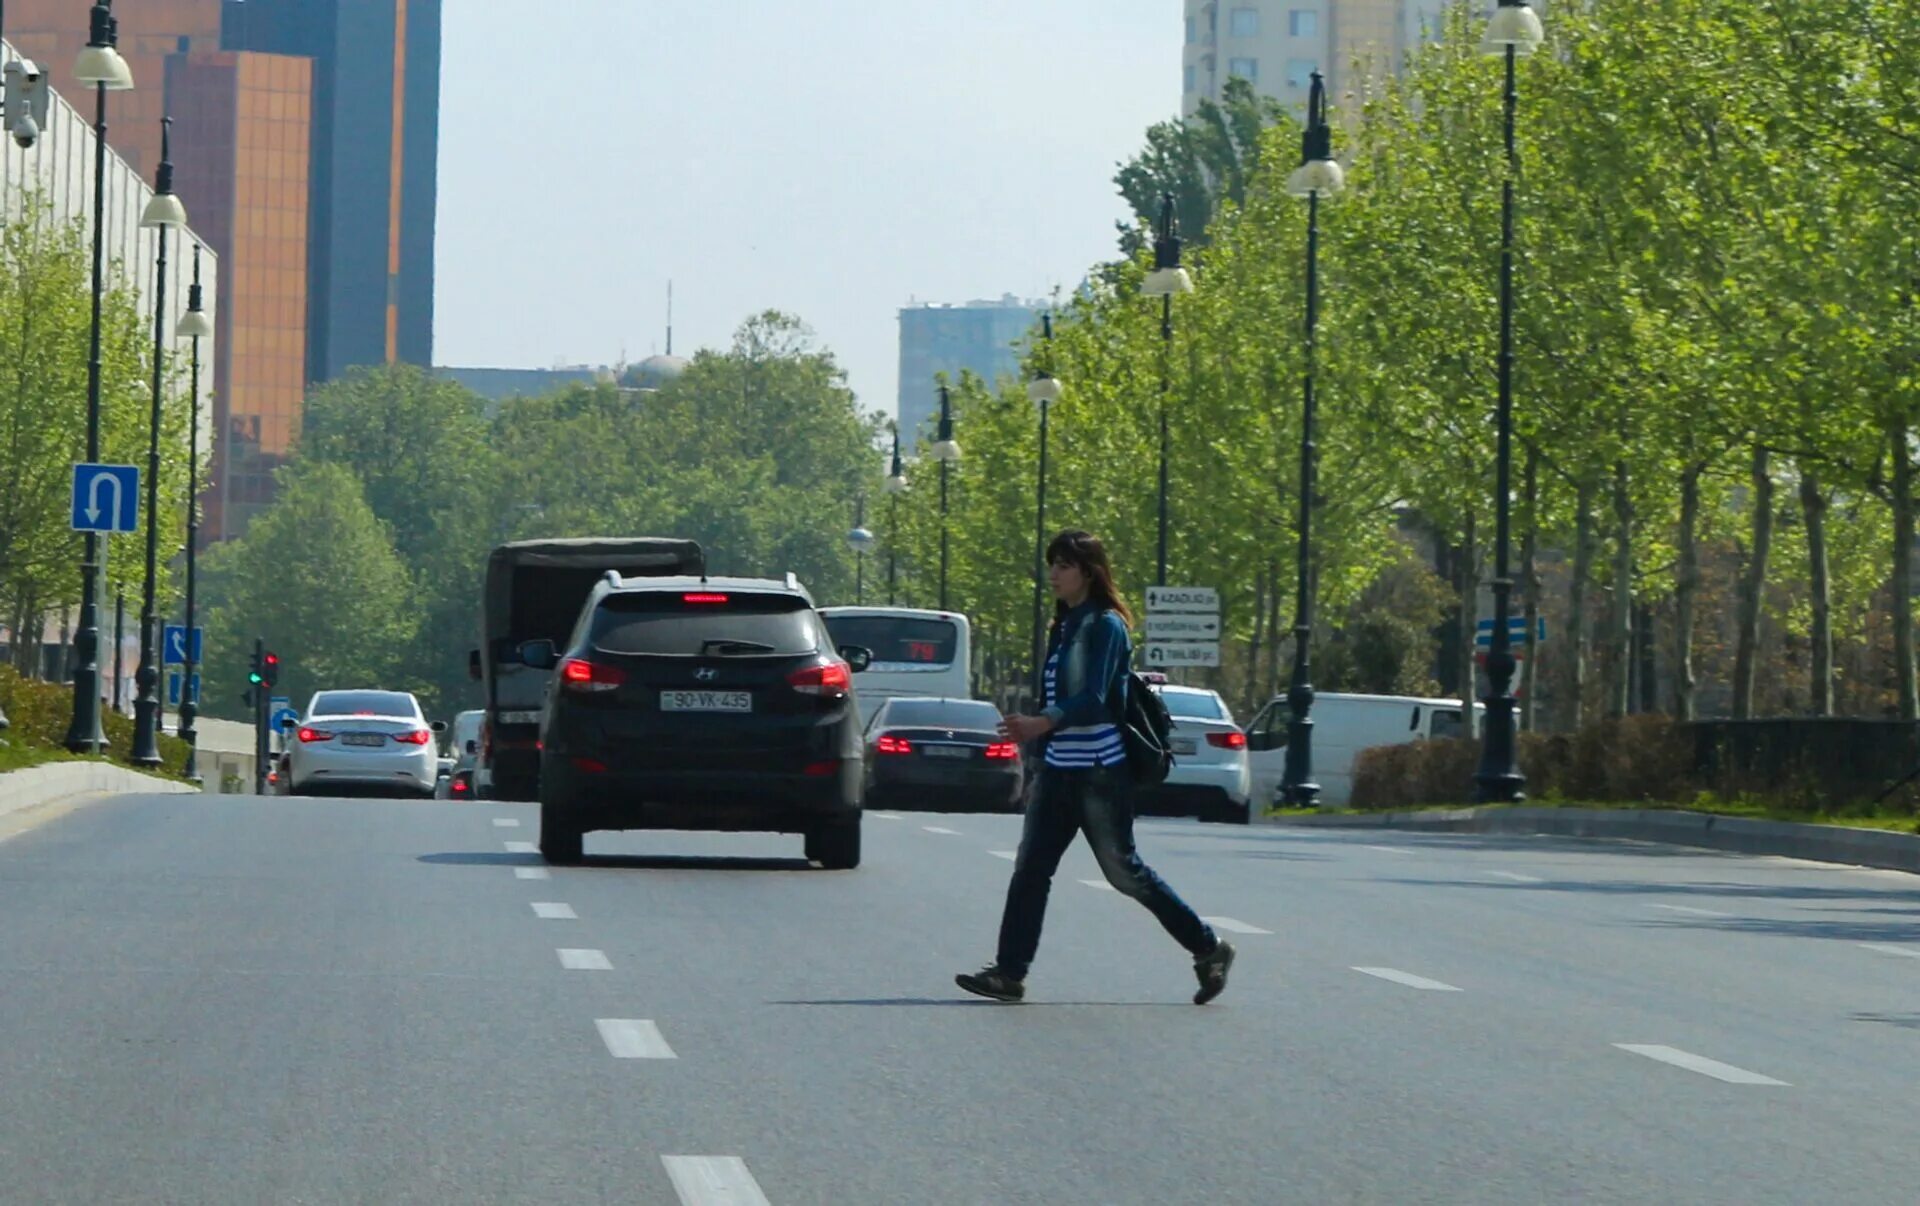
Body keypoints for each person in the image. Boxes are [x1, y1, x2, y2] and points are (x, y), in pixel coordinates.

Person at [956, 529, 1235, 1004]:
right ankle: (1008, 973)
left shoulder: (1105, 626)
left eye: (1063, 565)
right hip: (1060, 769)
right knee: (1031, 869)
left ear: (1088, 572)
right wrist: (1039, 756)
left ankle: (1208, 948)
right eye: (1052, 564)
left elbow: (1097, 699)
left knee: (1123, 872)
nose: (1053, 574)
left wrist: (1041, 723)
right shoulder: (1063, 627)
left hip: (1100, 772)